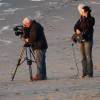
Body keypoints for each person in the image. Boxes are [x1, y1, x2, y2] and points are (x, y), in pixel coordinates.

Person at [72, 5, 95, 78]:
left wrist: (86, 17)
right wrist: (77, 30)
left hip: (88, 40)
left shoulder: (91, 19)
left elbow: (88, 27)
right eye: (81, 11)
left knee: (88, 56)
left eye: (83, 11)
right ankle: (84, 73)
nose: (82, 13)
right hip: (81, 40)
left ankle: (90, 73)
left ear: (87, 12)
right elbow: (75, 26)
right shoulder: (80, 19)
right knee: (82, 57)